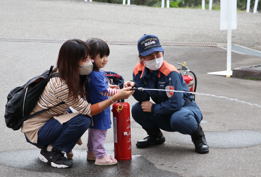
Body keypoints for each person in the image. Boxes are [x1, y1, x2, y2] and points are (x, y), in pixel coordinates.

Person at [21, 39, 133, 169]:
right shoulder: (62, 85)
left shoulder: (70, 73)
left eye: (89, 57)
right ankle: (53, 153)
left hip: (48, 121)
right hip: (37, 131)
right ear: (73, 61)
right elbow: (89, 110)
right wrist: (116, 97)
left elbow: (97, 88)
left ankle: (54, 148)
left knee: (77, 116)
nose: (90, 62)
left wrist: (117, 88)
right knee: (83, 119)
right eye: (85, 59)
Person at [131, 34, 209, 154]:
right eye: (150, 56)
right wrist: (134, 88)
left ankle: (198, 136)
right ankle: (156, 137)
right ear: (142, 58)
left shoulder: (171, 72)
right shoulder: (138, 70)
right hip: (164, 110)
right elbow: (143, 98)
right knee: (137, 109)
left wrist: (154, 108)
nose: (155, 58)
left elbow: (176, 103)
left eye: (158, 54)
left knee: (180, 119)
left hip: (184, 108)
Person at [85, 38, 128, 166]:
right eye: (101, 56)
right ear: (92, 57)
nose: (105, 59)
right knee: (100, 132)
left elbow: (102, 88)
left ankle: (92, 153)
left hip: (95, 105)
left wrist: (113, 88)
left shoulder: (92, 72)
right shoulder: (96, 74)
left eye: (106, 56)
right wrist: (121, 92)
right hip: (101, 107)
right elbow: (104, 92)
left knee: (94, 131)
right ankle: (100, 156)